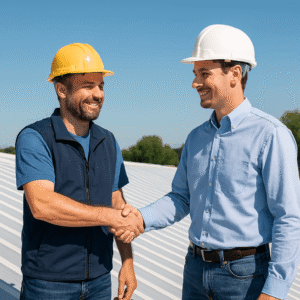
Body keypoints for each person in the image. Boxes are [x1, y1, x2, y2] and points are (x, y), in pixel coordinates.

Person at [112, 25, 300, 300]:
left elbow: (288, 217)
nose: (195, 83)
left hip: (245, 277)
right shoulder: (196, 138)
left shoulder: (270, 135)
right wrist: (142, 217)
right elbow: (181, 198)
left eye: (204, 73)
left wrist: (274, 291)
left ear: (235, 73)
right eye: (195, 74)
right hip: (195, 271)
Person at [15, 43, 144, 300]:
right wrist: (110, 217)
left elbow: (117, 203)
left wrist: (127, 262)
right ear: (61, 90)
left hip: (99, 279)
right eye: (88, 85)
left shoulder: (108, 142)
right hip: (48, 283)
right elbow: (43, 204)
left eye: (101, 85)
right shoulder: (36, 138)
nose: (98, 94)